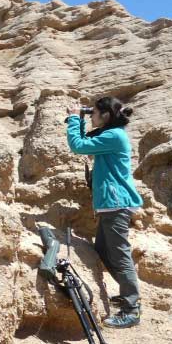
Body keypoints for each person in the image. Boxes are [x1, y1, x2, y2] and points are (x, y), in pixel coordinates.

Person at [65, 96, 144, 328]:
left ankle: (131, 309)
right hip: (111, 204)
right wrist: (78, 118)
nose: (92, 117)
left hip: (116, 204)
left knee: (120, 254)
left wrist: (72, 117)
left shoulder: (113, 135)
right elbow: (84, 140)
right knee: (102, 250)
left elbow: (77, 146)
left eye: (94, 113)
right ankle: (130, 293)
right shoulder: (109, 134)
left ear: (106, 115)